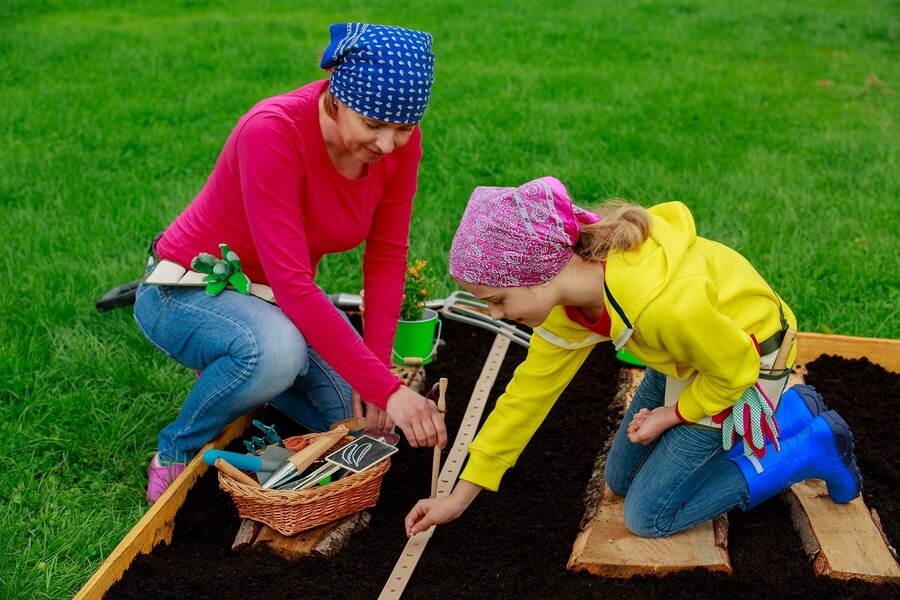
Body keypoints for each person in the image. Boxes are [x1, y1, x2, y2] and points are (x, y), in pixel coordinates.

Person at [405, 176, 862, 538]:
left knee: (648, 516)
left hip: (747, 359)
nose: (495, 314)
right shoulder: (563, 313)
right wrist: (458, 497)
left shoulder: (662, 304)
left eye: (498, 300)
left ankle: (807, 447)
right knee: (621, 480)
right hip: (685, 355)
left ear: (538, 273)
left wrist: (671, 415)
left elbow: (734, 369)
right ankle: (796, 412)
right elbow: (524, 400)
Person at [135, 23, 447, 504]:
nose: (387, 145)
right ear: (336, 99)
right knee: (276, 354)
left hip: (272, 298)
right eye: (374, 125)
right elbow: (295, 285)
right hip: (185, 290)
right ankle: (178, 448)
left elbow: (386, 256)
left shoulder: (396, 146)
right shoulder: (272, 133)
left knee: (356, 417)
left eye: (402, 129)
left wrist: (378, 374)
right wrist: (388, 389)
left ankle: (240, 369)